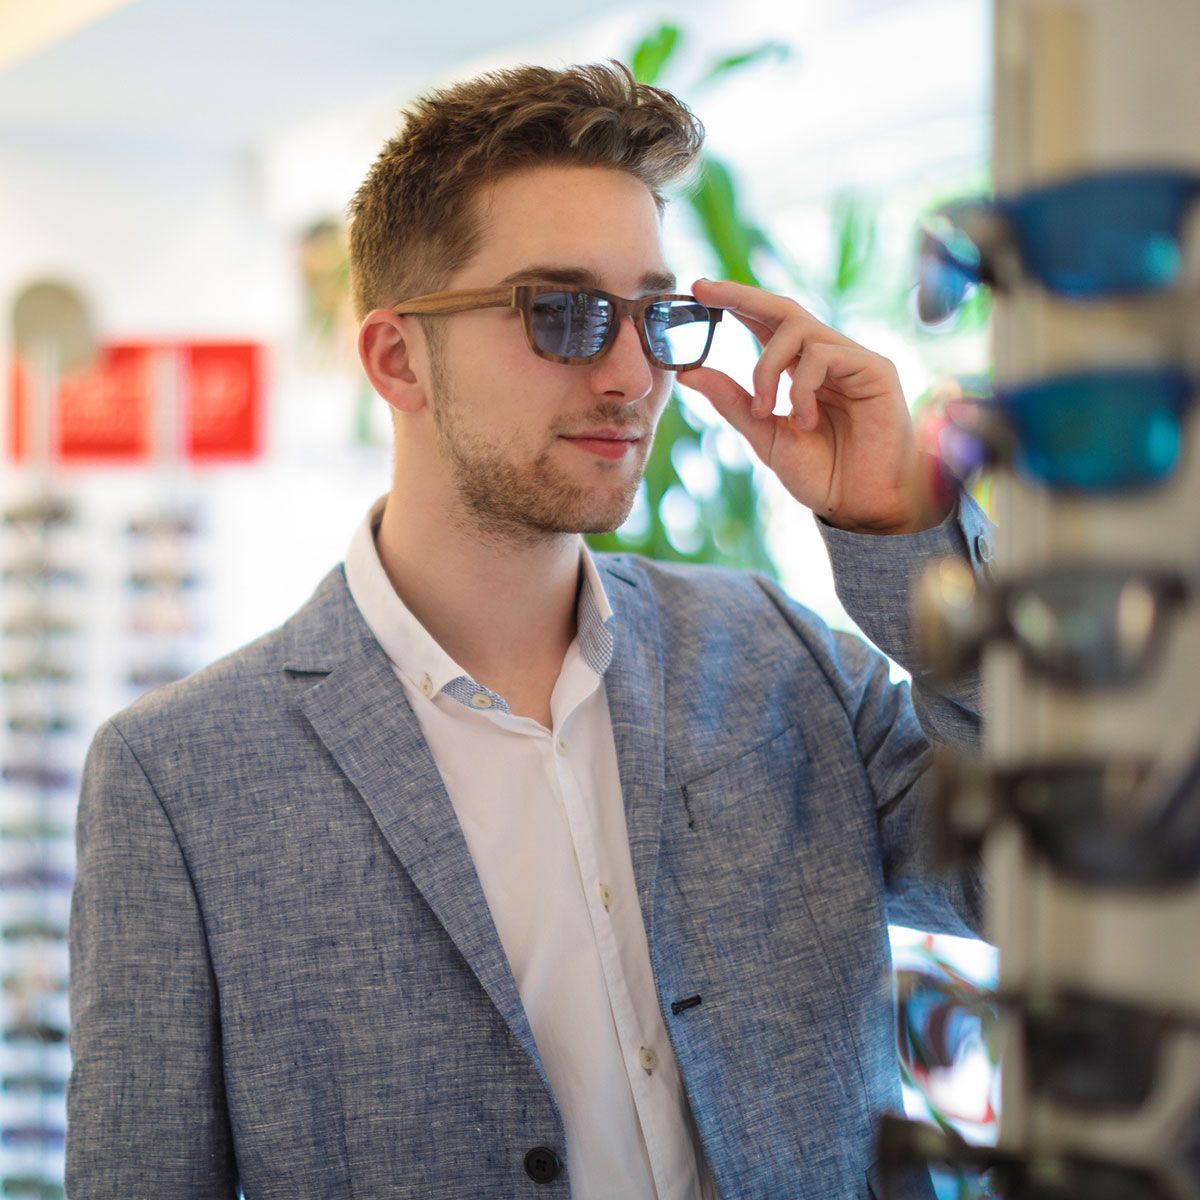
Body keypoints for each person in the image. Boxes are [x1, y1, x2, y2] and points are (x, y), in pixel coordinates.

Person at [65, 60, 991, 1200]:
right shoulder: (182, 776)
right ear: (397, 358)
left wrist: (901, 526)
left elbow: (1042, 883)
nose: (628, 374)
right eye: (564, 314)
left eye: (656, 316)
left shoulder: (770, 651)